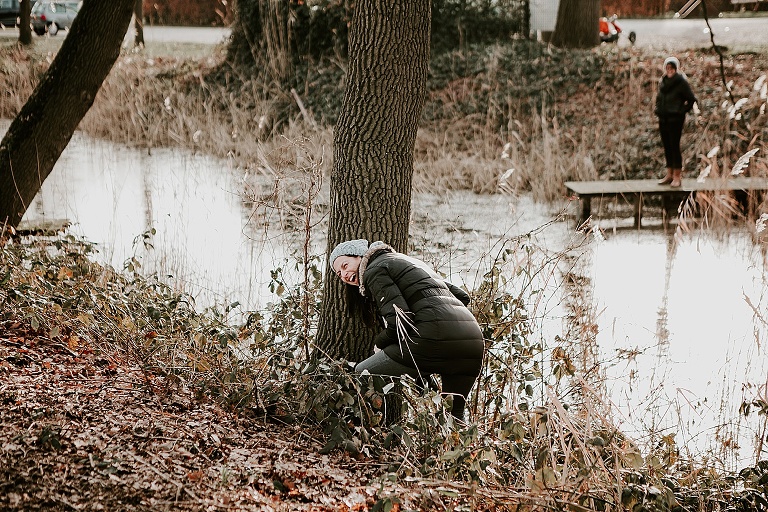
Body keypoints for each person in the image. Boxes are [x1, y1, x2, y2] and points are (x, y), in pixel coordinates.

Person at [329, 239, 485, 421]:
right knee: (454, 416)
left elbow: (399, 319)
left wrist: (379, 344)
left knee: (362, 373)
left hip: (431, 339)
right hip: (472, 341)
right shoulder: (407, 262)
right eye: (339, 274)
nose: (345, 275)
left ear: (360, 256)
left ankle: (369, 429)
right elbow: (462, 297)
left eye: (345, 265)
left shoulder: (373, 270)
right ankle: (458, 448)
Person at [655, 56, 698, 188]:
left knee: (674, 146)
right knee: (667, 147)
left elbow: (691, 99)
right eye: (667, 68)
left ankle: (677, 176)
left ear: (676, 69)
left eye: (672, 68)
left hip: (675, 120)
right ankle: (669, 174)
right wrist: (658, 108)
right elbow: (660, 98)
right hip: (663, 119)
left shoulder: (681, 82)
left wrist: (681, 111)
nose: (669, 70)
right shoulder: (663, 82)